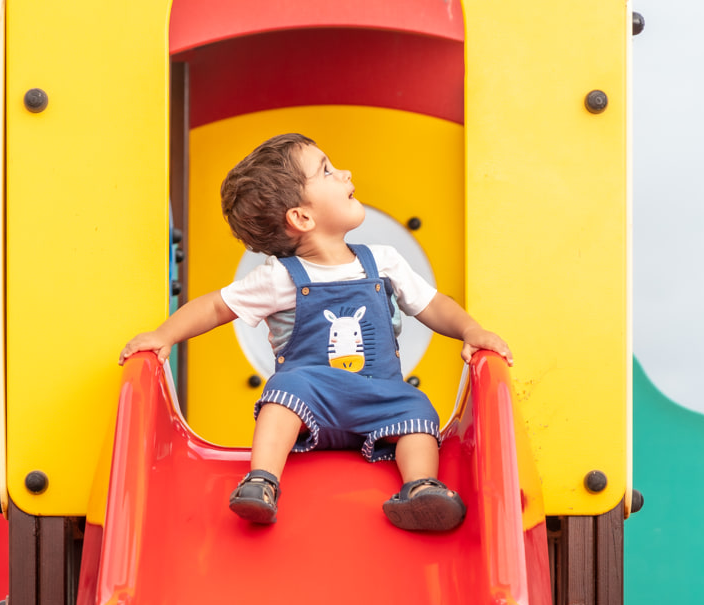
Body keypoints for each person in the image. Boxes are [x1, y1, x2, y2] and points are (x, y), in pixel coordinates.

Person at [119, 133, 512, 531]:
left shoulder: (384, 262)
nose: (345, 173)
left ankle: (420, 488)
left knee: (414, 406)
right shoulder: (280, 278)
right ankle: (262, 481)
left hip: (377, 398)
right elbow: (216, 306)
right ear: (301, 218)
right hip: (314, 404)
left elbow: (432, 304)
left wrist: (470, 329)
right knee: (284, 392)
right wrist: (164, 335)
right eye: (326, 169)